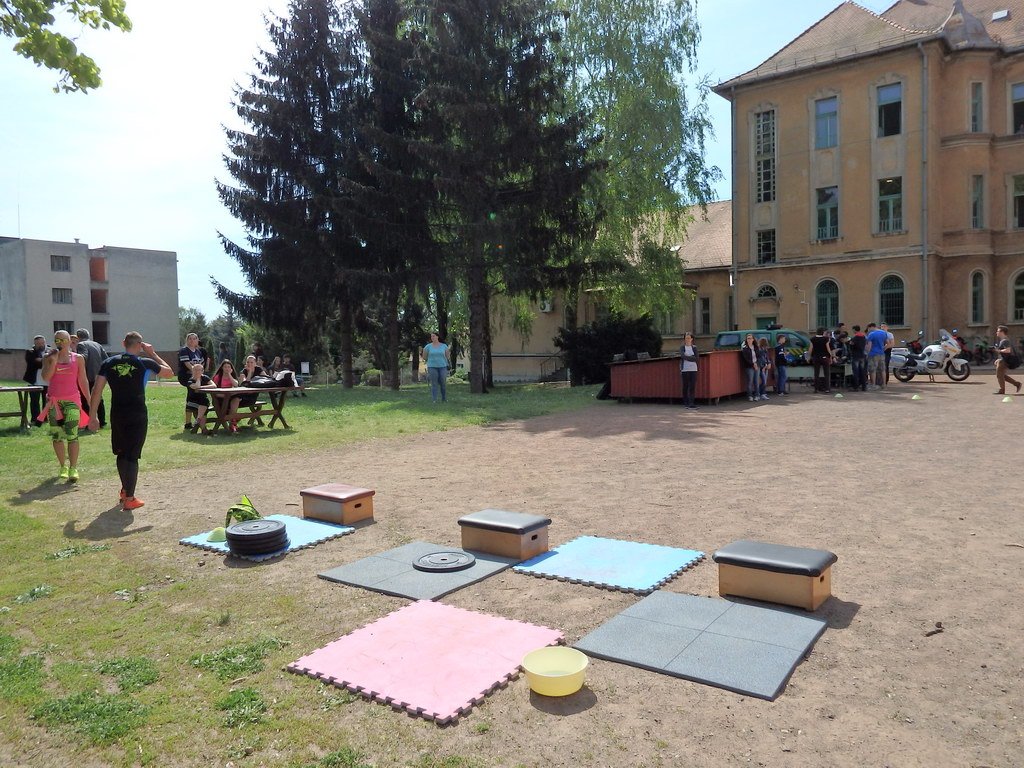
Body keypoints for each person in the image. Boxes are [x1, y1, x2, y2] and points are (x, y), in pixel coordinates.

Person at [88, 331, 173, 509]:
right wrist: (152, 353)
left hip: (117, 413)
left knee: (121, 453)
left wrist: (93, 415)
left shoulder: (109, 363)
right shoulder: (145, 362)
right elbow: (169, 373)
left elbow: (96, 390)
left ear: (123, 343)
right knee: (132, 456)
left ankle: (125, 490)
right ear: (140, 345)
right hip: (137, 413)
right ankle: (130, 498)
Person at [40, 330, 91, 481]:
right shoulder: (48, 357)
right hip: (54, 402)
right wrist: (53, 361)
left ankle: (73, 468)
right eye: (57, 340)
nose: (60, 343)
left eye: (63, 340)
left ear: (70, 341)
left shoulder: (78, 358)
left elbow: (82, 380)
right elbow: (46, 377)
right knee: (57, 436)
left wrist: (89, 399)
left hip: (72, 401)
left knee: (72, 435)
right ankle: (63, 466)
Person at [75, 328, 108, 427]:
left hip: (87, 375)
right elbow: (106, 359)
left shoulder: (81, 345)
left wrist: (73, 356)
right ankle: (102, 421)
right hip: (98, 375)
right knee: (98, 398)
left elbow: (83, 357)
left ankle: (87, 422)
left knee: (86, 399)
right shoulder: (97, 344)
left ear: (78, 337)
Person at [177, 333, 209, 431]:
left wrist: (199, 373)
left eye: (194, 339)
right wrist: (196, 373)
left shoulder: (198, 351)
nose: (192, 340)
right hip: (186, 375)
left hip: (196, 376)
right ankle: (190, 422)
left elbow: (201, 364)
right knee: (192, 394)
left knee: (194, 396)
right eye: (190, 339)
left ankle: (191, 422)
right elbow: (187, 364)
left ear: (197, 340)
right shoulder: (184, 350)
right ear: (187, 340)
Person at [22, 335, 48, 424]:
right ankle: (35, 419)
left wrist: (42, 360)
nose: (40, 345)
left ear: (45, 342)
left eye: (42, 343)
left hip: (48, 381)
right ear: (34, 344)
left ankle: (45, 419)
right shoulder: (30, 352)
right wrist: (47, 361)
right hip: (34, 381)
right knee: (34, 402)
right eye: (38, 344)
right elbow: (35, 363)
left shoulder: (51, 351)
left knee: (47, 402)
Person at [212, 359, 242, 433]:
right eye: (225, 367)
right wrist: (225, 395)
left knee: (236, 399)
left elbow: (236, 385)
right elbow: (214, 390)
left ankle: (232, 423)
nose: (227, 369)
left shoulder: (232, 376)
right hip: (219, 398)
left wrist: (229, 375)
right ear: (222, 368)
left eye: (228, 367)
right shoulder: (217, 377)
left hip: (230, 397)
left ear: (231, 368)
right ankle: (233, 421)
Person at [421, 332, 451, 403]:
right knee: (434, 383)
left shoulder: (444, 346)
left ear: (437, 337)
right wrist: (430, 360)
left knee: (443, 382)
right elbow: (424, 357)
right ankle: (434, 399)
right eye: (431, 336)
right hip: (432, 367)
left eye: (433, 336)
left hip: (442, 366)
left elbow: (447, 356)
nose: (432, 338)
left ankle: (444, 398)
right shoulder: (428, 346)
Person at [185, 362, 214, 433]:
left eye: (199, 370)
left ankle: (198, 422)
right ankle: (204, 429)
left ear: (202, 371)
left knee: (204, 403)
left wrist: (202, 387)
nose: (197, 372)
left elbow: (214, 385)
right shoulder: (190, 381)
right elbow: (196, 386)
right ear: (192, 371)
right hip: (192, 401)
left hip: (203, 400)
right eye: (195, 370)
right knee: (203, 409)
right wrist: (198, 378)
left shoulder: (205, 378)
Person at [993, 325, 1022, 395]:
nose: (996, 332)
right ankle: (1017, 384)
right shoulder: (1004, 340)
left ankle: (1002, 390)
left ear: (1002, 332)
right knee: (1001, 375)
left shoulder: (1005, 341)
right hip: (1003, 360)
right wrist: (998, 359)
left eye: (998, 331)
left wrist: (998, 351)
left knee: (999, 375)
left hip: (1004, 361)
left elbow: (1008, 350)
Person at [809, 327, 833, 393]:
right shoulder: (826, 339)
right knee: (826, 374)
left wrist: (808, 357)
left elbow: (810, 349)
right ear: (823, 332)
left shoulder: (812, 339)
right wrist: (830, 357)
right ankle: (827, 389)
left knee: (816, 374)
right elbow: (828, 348)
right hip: (824, 357)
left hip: (816, 357)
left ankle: (816, 389)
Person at [866, 322, 889, 389]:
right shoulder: (883, 333)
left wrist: (867, 353)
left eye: (868, 328)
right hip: (881, 353)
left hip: (873, 354)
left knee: (872, 370)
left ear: (871, 327)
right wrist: (883, 349)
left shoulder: (871, 334)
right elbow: (887, 343)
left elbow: (869, 346)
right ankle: (884, 384)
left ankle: (873, 384)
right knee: (882, 370)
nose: (868, 330)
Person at [679, 332, 698, 410]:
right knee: (685, 386)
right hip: (685, 369)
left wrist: (688, 357)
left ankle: (691, 403)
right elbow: (682, 356)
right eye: (686, 338)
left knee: (692, 386)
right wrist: (691, 357)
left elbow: (696, 358)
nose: (687, 339)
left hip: (693, 369)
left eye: (689, 338)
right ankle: (686, 402)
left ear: (692, 339)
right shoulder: (682, 347)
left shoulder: (694, 348)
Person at [739, 333, 759, 402]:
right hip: (749, 366)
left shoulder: (756, 347)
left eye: (750, 338)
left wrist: (757, 364)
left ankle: (757, 395)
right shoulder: (745, 348)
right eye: (748, 338)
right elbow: (746, 359)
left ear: (753, 339)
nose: (749, 340)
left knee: (756, 381)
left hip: (757, 366)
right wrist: (753, 364)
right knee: (750, 381)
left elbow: (759, 356)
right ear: (746, 340)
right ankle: (750, 396)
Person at [848, 325, 868, 392]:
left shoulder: (854, 338)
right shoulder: (864, 337)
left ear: (854, 330)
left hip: (855, 356)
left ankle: (856, 387)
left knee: (856, 372)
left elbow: (851, 346)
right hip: (862, 355)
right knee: (863, 372)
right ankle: (864, 387)